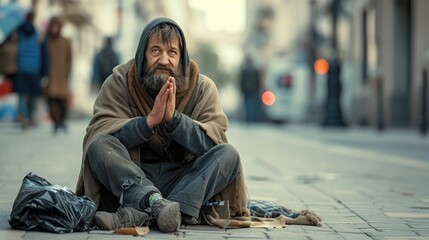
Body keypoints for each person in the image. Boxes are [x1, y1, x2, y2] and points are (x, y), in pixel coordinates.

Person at [75, 17, 250, 233]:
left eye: (172, 53)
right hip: (132, 180)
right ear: (142, 56)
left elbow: (212, 145)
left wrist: (175, 121)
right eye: (156, 51)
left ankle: (144, 213)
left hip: (184, 182)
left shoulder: (203, 88)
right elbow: (102, 131)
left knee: (228, 155)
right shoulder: (119, 81)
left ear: (182, 59)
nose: (164, 60)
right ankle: (156, 205)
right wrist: (148, 122)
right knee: (98, 145)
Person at [41, 16, 72, 134]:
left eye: (56, 26)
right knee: (51, 100)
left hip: (62, 75)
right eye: (52, 26)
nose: (54, 29)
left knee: (63, 101)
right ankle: (56, 123)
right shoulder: (46, 40)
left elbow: (70, 59)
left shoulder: (66, 41)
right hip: (50, 75)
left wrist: (67, 73)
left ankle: (62, 121)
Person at [13, 11, 43, 129]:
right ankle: (29, 117)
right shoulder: (38, 34)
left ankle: (24, 116)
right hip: (34, 68)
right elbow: (43, 54)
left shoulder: (18, 32)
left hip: (20, 67)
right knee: (32, 94)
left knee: (21, 94)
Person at [239, 55, 262, 123]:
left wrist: (241, 90)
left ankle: (248, 119)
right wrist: (258, 90)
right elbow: (258, 81)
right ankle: (253, 119)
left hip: (246, 90)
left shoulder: (244, 70)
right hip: (254, 90)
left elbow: (242, 81)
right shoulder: (255, 70)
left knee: (247, 104)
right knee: (253, 105)